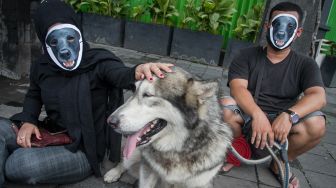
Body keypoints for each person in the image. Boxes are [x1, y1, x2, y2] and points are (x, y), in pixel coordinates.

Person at [0, 0, 173, 186]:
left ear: (79, 32)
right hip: (51, 132)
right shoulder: (42, 66)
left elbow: (119, 74)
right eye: (54, 41)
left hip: (84, 150)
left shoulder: (98, 63)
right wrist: (28, 121)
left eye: (70, 38)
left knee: (19, 164)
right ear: (45, 42)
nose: (64, 49)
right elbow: (34, 94)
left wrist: (137, 70)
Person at [220, 2, 326, 187]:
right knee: (223, 106)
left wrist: (289, 115)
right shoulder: (246, 56)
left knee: (317, 123)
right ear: (268, 26)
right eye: (277, 24)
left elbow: (318, 96)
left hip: (282, 126)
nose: (282, 32)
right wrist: (257, 114)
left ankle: (279, 163)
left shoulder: (305, 64)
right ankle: (239, 150)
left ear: (298, 32)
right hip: (247, 119)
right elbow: (237, 89)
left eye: (290, 26)